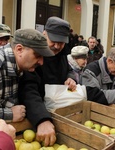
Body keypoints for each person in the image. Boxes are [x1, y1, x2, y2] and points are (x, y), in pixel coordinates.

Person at [18, 16, 76, 146]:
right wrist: (41, 119)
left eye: (61, 43)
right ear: (44, 34)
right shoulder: (34, 55)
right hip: (36, 117)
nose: (56, 46)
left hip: (57, 114)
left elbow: (69, 69)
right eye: (53, 41)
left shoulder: (62, 54)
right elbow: (28, 90)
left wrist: (70, 77)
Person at [0, 28, 53, 123]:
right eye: (38, 55)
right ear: (19, 49)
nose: (41, 62)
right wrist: (9, 114)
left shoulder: (18, 64)